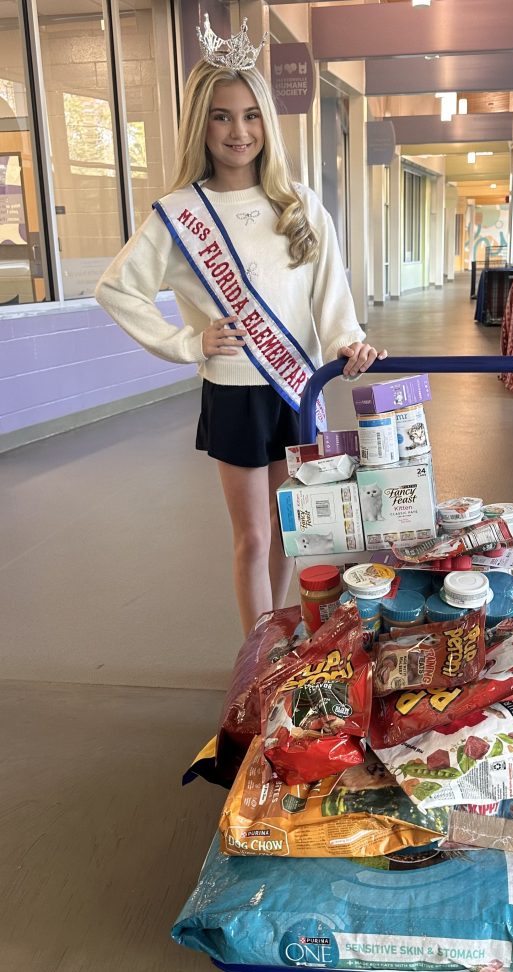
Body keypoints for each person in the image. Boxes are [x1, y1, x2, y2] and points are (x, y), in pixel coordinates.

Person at [96, 19, 386, 635]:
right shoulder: (178, 215)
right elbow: (117, 289)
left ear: (268, 124)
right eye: (223, 116)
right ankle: (256, 655)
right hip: (233, 390)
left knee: (292, 528)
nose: (239, 131)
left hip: (297, 388)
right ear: (201, 124)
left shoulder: (300, 205)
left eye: (252, 115)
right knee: (253, 537)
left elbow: (330, 295)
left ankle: (280, 639)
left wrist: (345, 344)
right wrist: (185, 342)